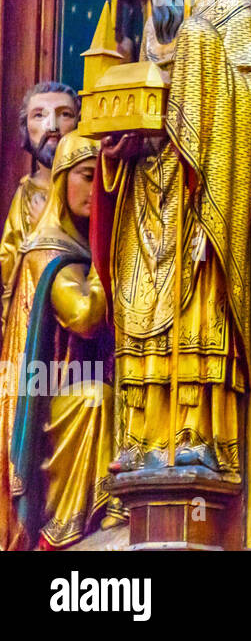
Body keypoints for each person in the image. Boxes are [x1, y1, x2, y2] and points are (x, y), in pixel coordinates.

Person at [99, 0, 251, 478]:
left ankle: (198, 431)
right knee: (141, 302)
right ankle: (141, 434)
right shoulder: (142, 19)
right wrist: (122, 137)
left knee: (196, 300)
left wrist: (195, 59)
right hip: (148, 183)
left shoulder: (225, 6)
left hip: (202, 181)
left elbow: (248, 93)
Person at [0, 131, 124, 548]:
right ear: (61, 179)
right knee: (95, 398)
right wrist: (109, 261)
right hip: (42, 411)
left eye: (105, 180)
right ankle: (61, 530)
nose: (97, 190)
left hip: (65, 393)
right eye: (87, 176)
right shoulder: (46, 251)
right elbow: (86, 317)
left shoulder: (78, 248)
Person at [2, 83, 79, 315]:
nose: (52, 126)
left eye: (64, 114)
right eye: (39, 115)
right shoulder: (25, 192)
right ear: (26, 128)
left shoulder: (89, 189)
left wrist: (50, 228)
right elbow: (8, 264)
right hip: (29, 311)